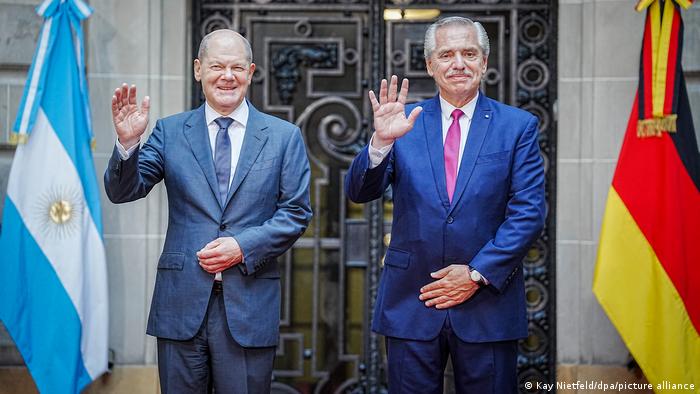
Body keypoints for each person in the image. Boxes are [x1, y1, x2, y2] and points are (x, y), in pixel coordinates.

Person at [104, 29, 312, 393]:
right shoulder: (170, 132)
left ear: (251, 72)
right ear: (199, 69)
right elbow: (124, 191)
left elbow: (295, 213)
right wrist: (127, 143)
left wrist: (242, 247)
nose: (227, 76)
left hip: (248, 306)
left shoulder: (283, 136)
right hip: (180, 305)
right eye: (217, 66)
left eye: (236, 67)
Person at [345, 17, 545, 393]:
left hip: (488, 303)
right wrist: (380, 143)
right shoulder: (404, 122)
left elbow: (529, 213)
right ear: (430, 65)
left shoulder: (517, 127)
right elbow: (360, 191)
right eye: (447, 54)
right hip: (412, 300)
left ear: (484, 62)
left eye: (469, 53)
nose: (459, 63)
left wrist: (474, 274)